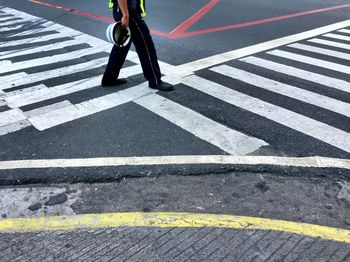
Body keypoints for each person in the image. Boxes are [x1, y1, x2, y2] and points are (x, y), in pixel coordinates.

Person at [102, 0, 173, 91]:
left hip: (121, 10)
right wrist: (126, 15)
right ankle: (155, 80)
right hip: (129, 13)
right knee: (146, 45)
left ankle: (109, 78)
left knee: (123, 44)